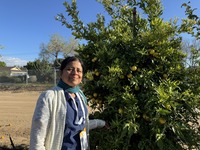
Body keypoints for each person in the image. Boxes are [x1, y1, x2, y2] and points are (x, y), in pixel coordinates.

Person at [29, 56, 106, 150]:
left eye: (79, 70)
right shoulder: (49, 96)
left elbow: (81, 125)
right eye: (70, 69)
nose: (75, 73)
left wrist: (100, 123)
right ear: (61, 73)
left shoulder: (80, 96)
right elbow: (38, 135)